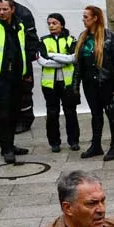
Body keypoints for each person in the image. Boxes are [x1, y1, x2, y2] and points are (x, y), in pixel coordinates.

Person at [0, 0, 40, 163]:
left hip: (17, 77)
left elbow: (23, 50)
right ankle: (6, 149)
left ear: (12, 9)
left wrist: (26, 72)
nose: (2, 12)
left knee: (14, 113)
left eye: (5, 9)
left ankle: (11, 144)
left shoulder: (19, 26)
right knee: (3, 115)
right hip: (1, 79)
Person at [76, 5, 114, 160]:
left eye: (86, 17)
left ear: (95, 18)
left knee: (112, 115)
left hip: (106, 82)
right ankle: (96, 145)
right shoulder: (83, 37)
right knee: (95, 115)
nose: (83, 20)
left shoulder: (110, 37)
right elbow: (78, 64)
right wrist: (75, 84)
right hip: (89, 83)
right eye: (83, 16)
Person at [0, 0, 37, 134]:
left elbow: (31, 40)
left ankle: (25, 121)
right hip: (4, 66)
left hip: (21, 63)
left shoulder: (24, 13)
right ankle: (8, 122)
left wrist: (26, 61)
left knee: (24, 94)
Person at [37, 13, 80, 153]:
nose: (51, 26)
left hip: (67, 83)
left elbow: (73, 58)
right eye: (49, 23)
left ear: (61, 24)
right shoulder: (43, 41)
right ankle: (54, 142)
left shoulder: (71, 40)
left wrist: (52, 55)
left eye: (54, 23)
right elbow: (42, 61)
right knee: (52, 113)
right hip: (50, 84)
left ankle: (73, 141)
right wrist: (62, 61)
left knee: (70, 112)